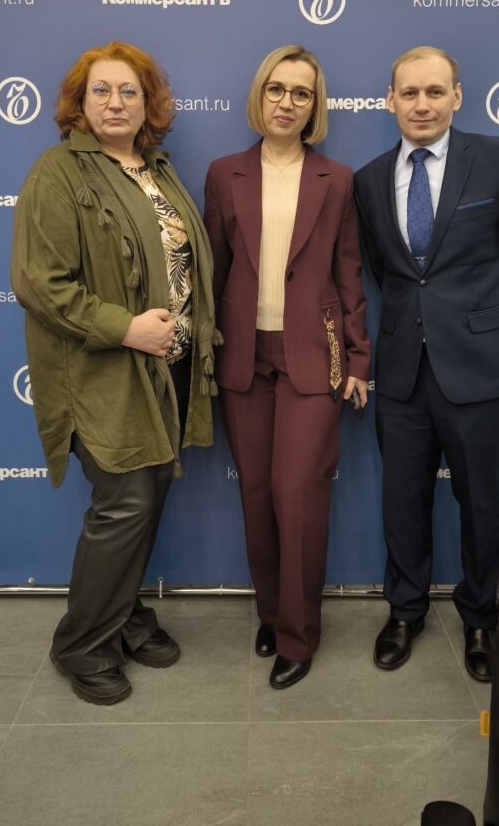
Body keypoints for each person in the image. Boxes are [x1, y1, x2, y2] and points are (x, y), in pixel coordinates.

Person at [11, 41, 219, 705]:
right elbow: (39, 282)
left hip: (166, 370)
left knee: (146, 500)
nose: (115, 103)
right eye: (100, 90)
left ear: (148, 104)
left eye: (129, 91)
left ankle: (123, 615)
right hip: (103, 372)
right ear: (79, 102)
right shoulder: (58, 172)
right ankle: (81, 644)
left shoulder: (156, 170)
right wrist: (125, 327)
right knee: (124, 504)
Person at [354, 46, 499, 681]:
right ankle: (404, 610)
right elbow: (387, 272)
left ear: (457, 97)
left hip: (478, 367)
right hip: (402, 371)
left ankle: (481, 618)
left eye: (435, 92)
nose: (422, 104)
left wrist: (479, 322)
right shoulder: (369, 179)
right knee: (402, 499)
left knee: (480, 502)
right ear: (390, 100)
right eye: (409, 93)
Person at [204, 44, 370, 689]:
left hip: (315, 355)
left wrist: (357, 358)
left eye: (301, 93)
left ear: (314, 105)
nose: (287, 102)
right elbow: (214, 269)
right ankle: (272, 615)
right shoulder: (224, 173)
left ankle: (299, 637)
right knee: (255, 494)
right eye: (277, 89)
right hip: (243, 358)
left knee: (296, 495)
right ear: (260, 95)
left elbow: (348, 273)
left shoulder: (337, 179)